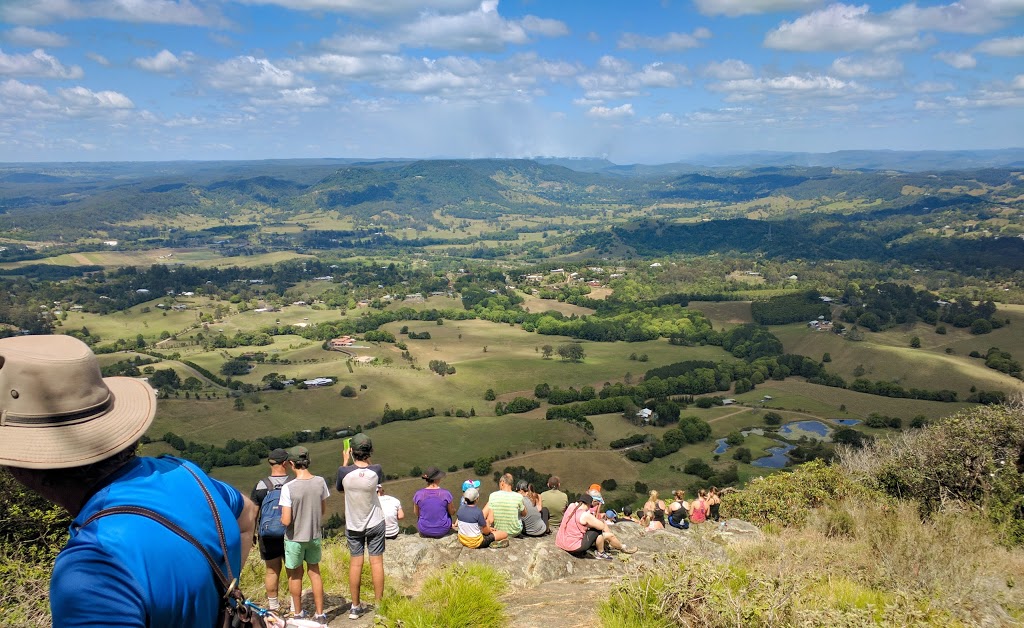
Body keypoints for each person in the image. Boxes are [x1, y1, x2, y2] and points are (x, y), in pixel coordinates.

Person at [0, 334, 258, 627]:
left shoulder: (93, 569)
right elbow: (247, 512)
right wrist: (222, 585)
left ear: (21, 466)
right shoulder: (185, 474)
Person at [336, 433, 385, 620]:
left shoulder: (343, 472)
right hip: (375, 522)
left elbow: (341, 488)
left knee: (356, 563)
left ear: (352, 451)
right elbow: (372, 472)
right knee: (377, 563)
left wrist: (345, 460)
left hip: (354, 524)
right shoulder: (377, 470)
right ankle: (379, 606)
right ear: (369, 451)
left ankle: (355, 607)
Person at [279, 445, 330, 622]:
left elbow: (286, 520)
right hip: (314, 535)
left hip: (294, 538)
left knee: (295, 574)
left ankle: (298, 613)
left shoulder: (288, 488)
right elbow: (322, 510)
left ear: (291, 463)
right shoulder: (320, 481)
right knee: (314, 572)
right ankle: (321, 613)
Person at [251, 448, 293, 611]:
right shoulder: (292, 483)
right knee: (293, 570)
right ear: (285, 463)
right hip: (289, 532)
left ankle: (274, 607)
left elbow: (254, 513)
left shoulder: (261, 485)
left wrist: (254, 533)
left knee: (271, 570)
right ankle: (294, 606)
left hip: (267, 534)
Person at [555, 494, 637, 559]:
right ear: (588, 504)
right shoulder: (585, 515)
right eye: (590, 506)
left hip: (560, 541)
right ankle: (601, 552)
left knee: (599, 531)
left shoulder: (571, 506)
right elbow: (601, 526)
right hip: (574, 547)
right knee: (597, 530)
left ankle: (611, 545)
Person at [413, 466, 456, 538]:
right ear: (437, 479)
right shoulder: (445, 493)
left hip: (424, 530)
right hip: (443, 530)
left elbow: (417, 513)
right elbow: (452, 512)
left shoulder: (418, 494)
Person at [483, 473, 526, 538]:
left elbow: (490, 519)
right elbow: (524, 514)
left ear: (502, 483)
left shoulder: (493, 495)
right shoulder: (519, 496)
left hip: (499, 532)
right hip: (515, 532)